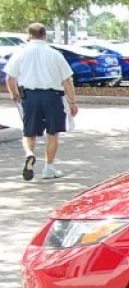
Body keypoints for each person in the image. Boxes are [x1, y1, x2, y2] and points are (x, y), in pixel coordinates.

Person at [4, 23, 77, 181]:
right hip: (52, 97)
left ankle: (30, 154)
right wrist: (72, 101)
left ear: (29, 35)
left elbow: (10, 77)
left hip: (30, 97)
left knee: (29, 132)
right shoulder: (54, 54)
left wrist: (14, 94)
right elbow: (67, 80)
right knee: (52, 133)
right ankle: (49, 168)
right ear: (45, 35)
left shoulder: (20, 54)